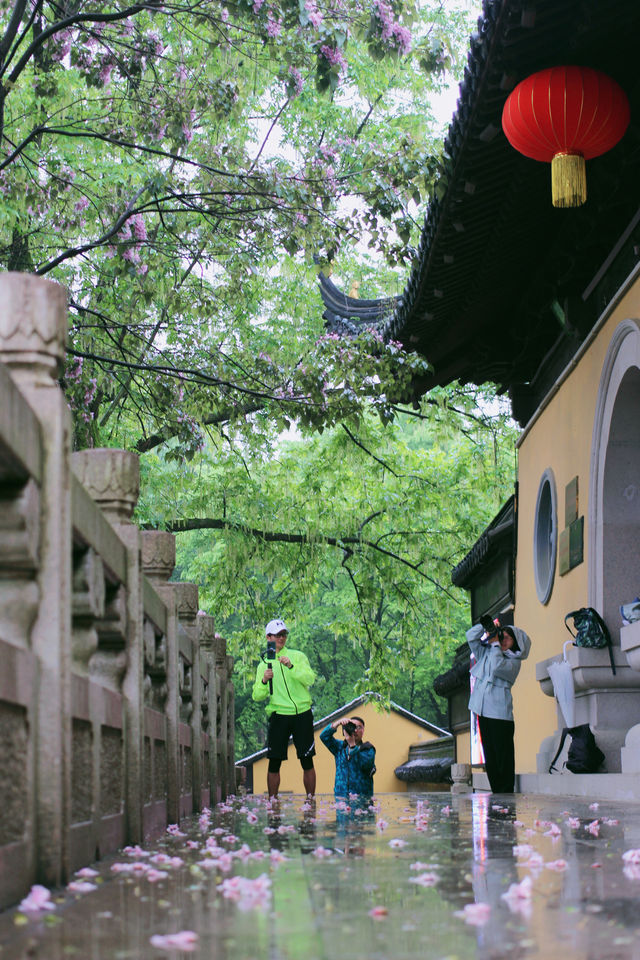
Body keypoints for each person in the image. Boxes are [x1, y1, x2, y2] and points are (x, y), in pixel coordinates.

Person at [252, 618, 316, 798]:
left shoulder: (297, 656)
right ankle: (272, 800)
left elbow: (310, 679)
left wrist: (291, 666)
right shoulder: (263, 664)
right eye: (278, 635)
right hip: (279, 714)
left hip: (302, 713)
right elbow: (257, 695)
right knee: (274, 761)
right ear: (268, 637)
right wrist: (264, 680)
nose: (281, 638)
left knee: (307, 759)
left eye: (284, 635)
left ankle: (310, 799)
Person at [467, 616, 531, 793]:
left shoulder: (513, 662)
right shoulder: (488, 652)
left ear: (516, 643)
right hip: (482, 711)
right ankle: (497, 792)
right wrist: (485, 627)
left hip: (500, 714)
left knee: (503, 756)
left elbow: (496, 667)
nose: (502, 640)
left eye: (507, 638)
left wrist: (495, 644)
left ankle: (506, 792)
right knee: (491, 757)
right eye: (501, 636)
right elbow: (470, 637)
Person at [320, 715, 376, 799]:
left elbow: (365, 765)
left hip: (362, 798)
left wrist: (352, 745)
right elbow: (324, 737)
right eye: (353, 727)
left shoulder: (368, 749)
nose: (356, 730)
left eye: (359, 727)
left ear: (363, 730)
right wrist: (337, 723)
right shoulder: (340, 747)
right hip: (341, 797)